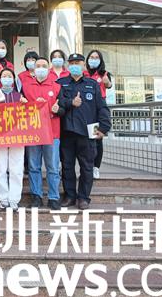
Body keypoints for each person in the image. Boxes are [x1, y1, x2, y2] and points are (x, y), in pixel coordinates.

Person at [57, 53, 111, 210]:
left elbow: (102, 107)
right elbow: (57, 103)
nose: (75, 65)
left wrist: (103, 128)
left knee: (87, 167)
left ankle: (83, 197)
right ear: (68, 66)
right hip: (66, 131)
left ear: (83, 65)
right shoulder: (61, 83)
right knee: (67, 166)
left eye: (78, 63)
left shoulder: (92, 84)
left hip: (88, 132)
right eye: (72, 63)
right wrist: (70, 102)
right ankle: (69, 196)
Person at [22, 57, 64, 210]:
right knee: (34, 166)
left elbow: (63, 109)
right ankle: (36, 196)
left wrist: (57, 109)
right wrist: (28, 105)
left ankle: (54, 197)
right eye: (38, 66)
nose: (41, 68)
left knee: (52, 167)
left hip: (52, 132)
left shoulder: (57, 86)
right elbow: (19, 108)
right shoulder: (26, 87)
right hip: (33, 132)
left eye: (44, 66)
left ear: (49, 68)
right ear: (34, 68)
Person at [0, 68, 26, 210]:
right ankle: (3, 198)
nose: (6, 78)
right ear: (0, 79)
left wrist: (25, 104)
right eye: (4, 76)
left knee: (16, 168)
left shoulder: (19, 95)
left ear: (13, 79)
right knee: (0, 168)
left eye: (9, 76)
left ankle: (14, 199)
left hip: (18, 135)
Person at [84, 50, 113, 180]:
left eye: (96, 57)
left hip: (97, 110)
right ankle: (87, 166)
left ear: (100, 60)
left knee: (96, 138)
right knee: (84, 139)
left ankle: (96, 167)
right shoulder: (84, 73)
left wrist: (106, 82)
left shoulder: (104, 74)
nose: (94, 59)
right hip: (85, 108)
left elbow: (109, 85)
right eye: (91, 57)